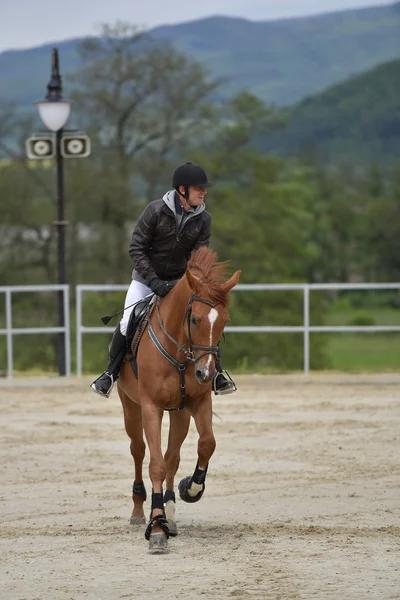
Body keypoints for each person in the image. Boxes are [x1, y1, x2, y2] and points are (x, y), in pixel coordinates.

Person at [91, 162, 237, 398]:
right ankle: (109, 374)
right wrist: (153, 280)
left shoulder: (203, 219)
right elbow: (136, 249)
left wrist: (188, 284)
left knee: (204, 318)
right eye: (198, 188)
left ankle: (217, 374)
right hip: (145, 280)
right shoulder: (155, 211)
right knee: (128, 321)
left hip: (182, 283)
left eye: (204, 188)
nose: (204, 192)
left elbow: (199, 259)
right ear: (182, 190)